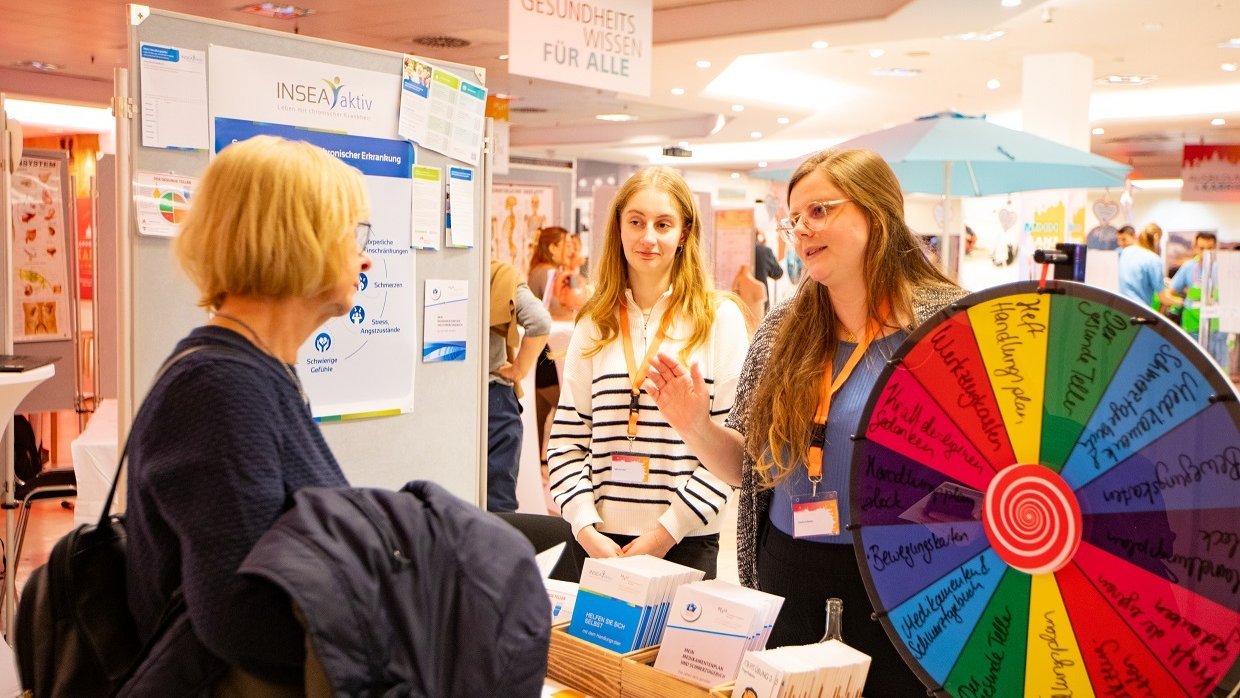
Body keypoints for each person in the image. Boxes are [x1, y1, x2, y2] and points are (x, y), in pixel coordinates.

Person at [643, 149, 965, 696]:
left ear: (876, 213)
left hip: (906, 584)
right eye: (795, 218)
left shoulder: (950, 331)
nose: (801, 230)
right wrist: (695, 426)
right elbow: (754, 472)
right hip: (789, 575)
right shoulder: (782, 331)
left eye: (819, 211)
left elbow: (983, 480)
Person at [124, 135, 372, 692]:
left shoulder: (258, 371)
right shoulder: (219, 387)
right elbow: (241, 614)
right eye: (351, 233)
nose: (365, 255)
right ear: (297, 242)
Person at [547, 166, 749, 579]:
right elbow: (566, 442)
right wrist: (586, 528)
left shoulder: (719, 318)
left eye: (663, 224)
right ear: (618, 228)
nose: (648, 237)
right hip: (596, 545)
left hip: (685, 542)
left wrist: (665, 533)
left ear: (684, 232)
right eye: (636, 222)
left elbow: (732, 451)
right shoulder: (594, 322)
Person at [488, 259, 551, 513]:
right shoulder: (494, 273)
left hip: (443, 400)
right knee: (499, 505)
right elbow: (540, 321)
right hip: (493, 399)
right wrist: (519, 370)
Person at [1162, 231, 1230, 369]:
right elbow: (1169, 293)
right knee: (1194, 368)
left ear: (1215, 247)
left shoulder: (1223, 269)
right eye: (1201, 248)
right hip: (1192, 328)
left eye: (1209, 248)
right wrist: (1181, 303)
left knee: (1219, 370)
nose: (1205, 252)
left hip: (1217, 330)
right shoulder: (1188, 268)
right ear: (1195, 247)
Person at [1117, 225, 1164, 307]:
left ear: (1135, 237)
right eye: (1119, 240)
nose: (1120, 243)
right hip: (1141, 310)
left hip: (1121, 307)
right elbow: (1163, 297)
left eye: (1124, 239)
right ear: (1157, 238)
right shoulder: (1153, 259)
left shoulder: (1124, 253)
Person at [752, 229, 784, 312]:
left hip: (738, 303)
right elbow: (778, 273)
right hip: (760, 305)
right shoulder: (764, 251)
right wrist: (764, 247)